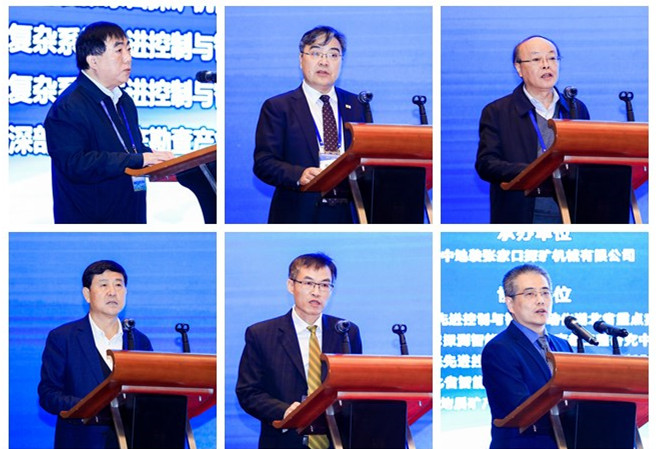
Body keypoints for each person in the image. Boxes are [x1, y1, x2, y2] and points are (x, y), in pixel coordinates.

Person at [45, 21, 174, 224]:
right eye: (119, 51)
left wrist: (155, 158)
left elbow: (128, 149)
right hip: (92, 221)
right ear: (93, 61)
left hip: (131, 212)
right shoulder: (69, 106)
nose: (128, 58)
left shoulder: (123, 100)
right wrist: (137, 160)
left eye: (129, 50)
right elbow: (75, 163)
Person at [236, 253, 362, 448]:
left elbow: (356, 388)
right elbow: (248, 392)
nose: (316, 292)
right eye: (309, 283)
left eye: (324, 285)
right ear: (291, 285)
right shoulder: (261, 334)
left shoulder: (346, 332)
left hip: (337, 441)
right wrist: (285, 411)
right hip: (284, 441)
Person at [253, 26, 366, 224]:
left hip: (348, 213)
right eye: (316, 53)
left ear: (341, 61)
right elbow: (264, 163)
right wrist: (300, 174)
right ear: (301, 59)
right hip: (298, 212)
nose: (324, 61)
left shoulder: (357, 104)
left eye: (333, 55)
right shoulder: (278, 107)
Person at [38, 260, 153, 449]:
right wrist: (90, 406)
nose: (112, 292)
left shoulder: (139, 341)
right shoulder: (63, 338)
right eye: (104, 285)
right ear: (87, 294)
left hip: (130, 441)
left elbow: (149, 394)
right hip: (81, 441)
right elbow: (48, 395)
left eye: (118, 285)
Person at [475, 35, 590, 224]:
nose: (546, 65)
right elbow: (486, 164)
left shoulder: (575, 108)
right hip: (522, 213)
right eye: (536, 59)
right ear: (519, 68)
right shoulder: (497, 111)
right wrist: (534, 172)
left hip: (570, 213)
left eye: (552, 58)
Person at [481, 264, 572, 449]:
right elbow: (518, 407)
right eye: (530, 294)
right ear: (510, 304)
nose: (541, 300)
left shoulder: (563, 346)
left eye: (545, 293)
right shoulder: (499, 349)